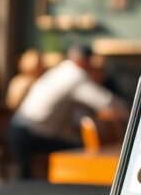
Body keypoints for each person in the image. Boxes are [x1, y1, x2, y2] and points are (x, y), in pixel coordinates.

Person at [10, 44, 127, 178]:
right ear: (84, 61)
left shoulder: (59, 70)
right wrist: (132, 111)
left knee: (25, 182)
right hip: (34, 134)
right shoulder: (75, 75)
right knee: (81, 152)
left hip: (19, 129)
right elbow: (107, 103)